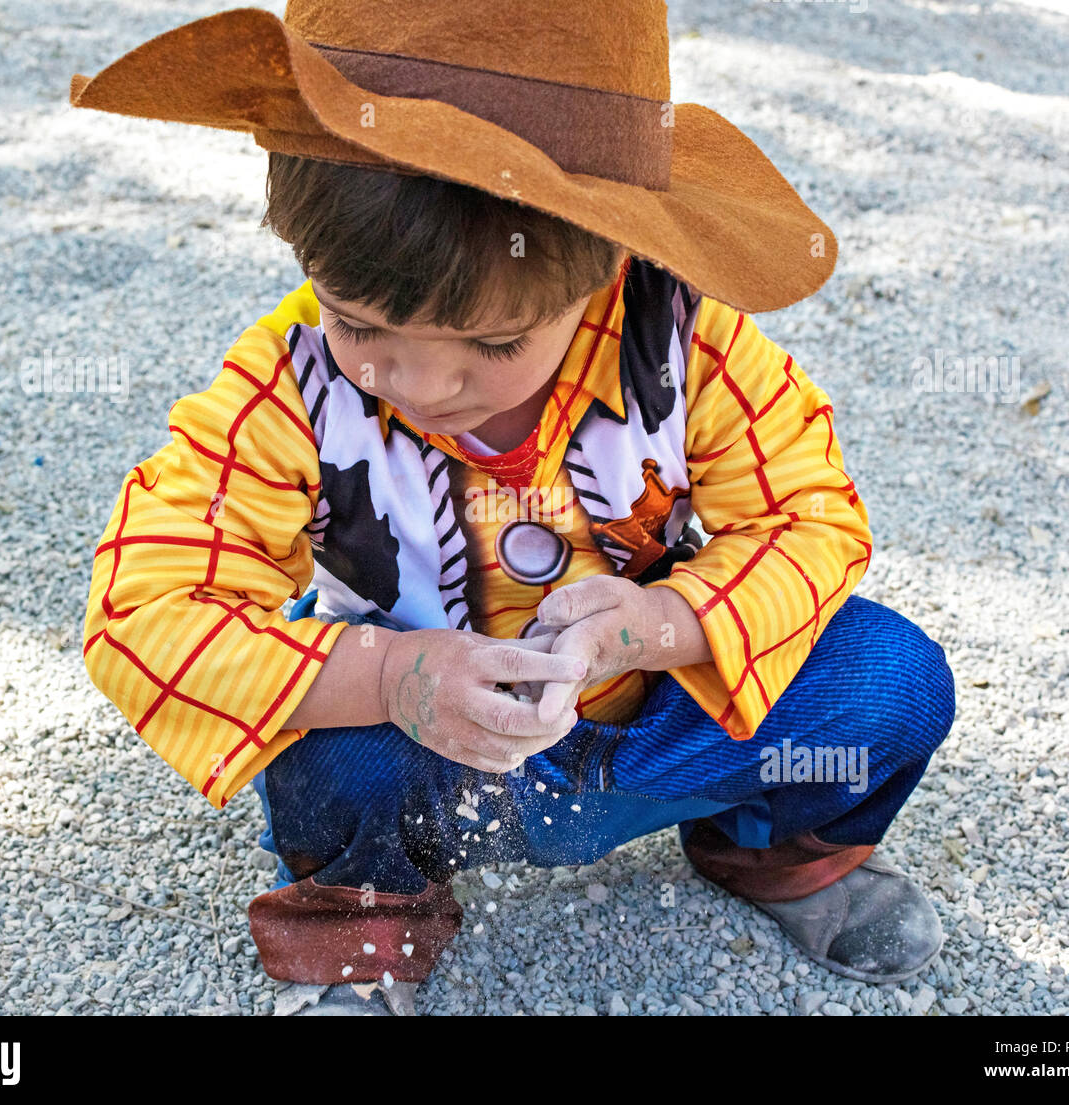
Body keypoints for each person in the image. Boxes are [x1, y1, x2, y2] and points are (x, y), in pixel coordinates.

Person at [71, 0, 956, 1017]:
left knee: (887, 677)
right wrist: (395, 674)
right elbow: (141, 611)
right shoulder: (286, 390)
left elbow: (811, 522)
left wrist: (661, 624)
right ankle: (366, 919)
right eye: (359, 324)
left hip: (656, 719)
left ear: (610, 258)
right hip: (423, 756)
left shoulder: (686, 341)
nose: (421, 383)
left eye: (492, 344)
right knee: (320, 741)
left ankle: (770, 851)